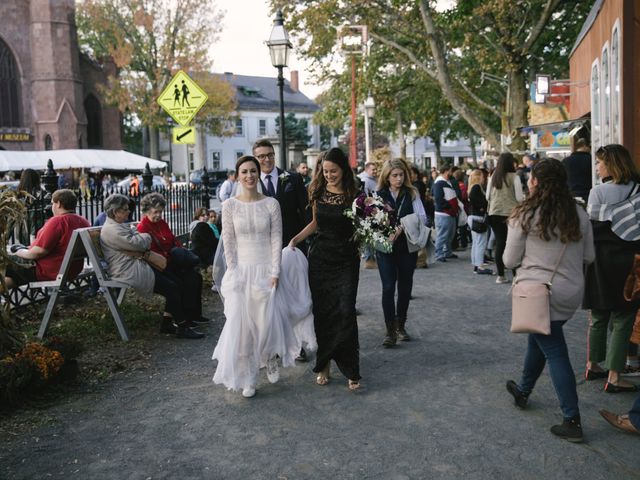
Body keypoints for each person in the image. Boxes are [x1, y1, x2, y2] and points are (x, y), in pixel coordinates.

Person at [504, 158, 595, 443]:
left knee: (554, 349)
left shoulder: (526, 214)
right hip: (570, 292)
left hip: (538, 293)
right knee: (540, 336)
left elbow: (509, 259)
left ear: (535, 182)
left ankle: (572, 419)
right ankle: (523, 389)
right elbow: (589, 257)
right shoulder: (579, 213)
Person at [212, 156, 301, 398]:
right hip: (241, 271)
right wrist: (233, 271)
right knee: (243, 329)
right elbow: (228, 240)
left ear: (258, 174)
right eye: (245, 171)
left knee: (265, 324)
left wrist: (275, 271)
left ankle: (269, 356)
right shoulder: (229, 205)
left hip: (265, 270)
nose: (250, 175)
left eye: (253, 171)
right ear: (237, 175)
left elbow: (276, 238)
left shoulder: (271, 204)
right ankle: (250, 377)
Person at [289, 147, 362, 391]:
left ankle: (351, 368)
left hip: (347, 260)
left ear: (343, 170)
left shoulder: (355, 193)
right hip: (320, 260)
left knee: (345, 310)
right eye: (325, 170)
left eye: (334, 171)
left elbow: (363, 225)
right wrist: (295, 240)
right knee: (323, 313)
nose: (329, 175)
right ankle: (325, 363)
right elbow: (315, 222)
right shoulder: (317, 191)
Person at [99, 194, 204, 339]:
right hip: (128, 270)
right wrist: (145, 237)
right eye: (125, 209)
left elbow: (138, 240)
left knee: (177, 283)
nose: (128, 211)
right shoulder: (112, 230)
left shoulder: (117, 226)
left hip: (137, 264)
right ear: (116, 212)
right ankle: (182, 327)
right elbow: (140, 242)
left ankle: (168, 324)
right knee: (172, 287)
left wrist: (140, 239)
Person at [583, 144, 640, 393]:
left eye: (599, 162)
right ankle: (615, 376)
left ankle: (593, 364)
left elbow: (592, 229)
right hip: (629, 260)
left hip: (600, 260)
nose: (597, 166)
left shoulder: (597, 192)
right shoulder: (638, 191)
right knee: (623, 316)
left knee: (598, 314)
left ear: (611, 164)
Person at [254, 139, 310, 362]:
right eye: (261, 156)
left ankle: (299, 345)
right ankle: (276, 343)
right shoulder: (251, 181)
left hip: (291, 246)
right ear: (255, 158)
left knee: (294, 295)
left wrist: (304, 243)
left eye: (269, 155)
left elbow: (305, 212)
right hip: (264, 251)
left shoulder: (292, 179)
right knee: (271, 299)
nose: (266, 159)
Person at [375, 159, 427, 347]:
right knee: (388, 286)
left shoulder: (411, 193)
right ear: (387, 177)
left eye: (401, 175)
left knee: (405, 286)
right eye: (394, 175)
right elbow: (372, 220)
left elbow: (422, 217)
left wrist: (402, 226)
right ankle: (390, 330)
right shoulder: (378, 195)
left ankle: (400, 324)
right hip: (385, 248)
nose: (398, 178)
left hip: (407, 246)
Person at [136, 193, 207, 325]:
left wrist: (182, 253)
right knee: (183, 280)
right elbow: (149, 253)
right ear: (146, 211)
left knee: (195, 277)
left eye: (161, 212)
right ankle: (181, 319)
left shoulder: (162, 223)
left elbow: (173, 240)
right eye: (155, 212)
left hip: (171, 261)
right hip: (159, 265)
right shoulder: (143, 227)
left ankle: (193, 314)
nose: (159, 215)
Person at [3, 189, 90, 290]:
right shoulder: (83, 221)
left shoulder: (58, 221)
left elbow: (36, 253)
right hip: (72, 270)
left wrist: (20, 251)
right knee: (12, 276)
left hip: (49, 270)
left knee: (3, 261)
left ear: (59, 204)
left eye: (52, 203)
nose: (51, 206)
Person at [487, 153, 524, 284]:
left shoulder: (493, 177)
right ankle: (515, 275)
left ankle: (500, 275)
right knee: (513, 243)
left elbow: (488, 196)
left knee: (500, 243)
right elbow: (519, 198)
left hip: (494, 213)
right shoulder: (515, 177)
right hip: (511, 214)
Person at [467, 169, 492, 275]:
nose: (484, 178)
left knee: (476, 243)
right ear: (478, 177)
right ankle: (479, 266)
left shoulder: (472, 187)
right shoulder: (477, 187)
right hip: (478, 217)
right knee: (481, 243)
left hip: (473, 217)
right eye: (482, 176)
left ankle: (476, 264)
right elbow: (474, 198)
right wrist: (482, 206)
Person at [432, 165, 459, 262]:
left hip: (448, 213)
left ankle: (447, 252)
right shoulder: (439, 183)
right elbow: (439, 199)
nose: (451, 174)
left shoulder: (444, 182)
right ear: (446, 171)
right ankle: (439, 254)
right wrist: (449, 207)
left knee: (449, 234)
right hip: (444, 214)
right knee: (443, 235)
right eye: (450, 172)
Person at [563, 137, 592, 203]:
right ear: (585, 146)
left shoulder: (565, 161)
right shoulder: (591, 160)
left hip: (571, 196)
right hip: (588, 196)